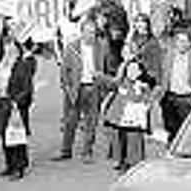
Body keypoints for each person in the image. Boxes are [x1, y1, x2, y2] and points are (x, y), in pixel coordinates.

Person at [54, 17, 110, 162]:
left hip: (94, 88)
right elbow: (64, 70)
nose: (91, 35)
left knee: (91, 122)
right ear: (82, 32)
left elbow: (107, 68)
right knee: (70, 121)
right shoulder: (72, 47)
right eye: (88, 32)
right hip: (76, 89)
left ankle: (87, 152)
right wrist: (67, 88)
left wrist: (102, 85)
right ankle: (66, 150)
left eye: (93, 32)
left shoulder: (101, 47)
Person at [0, 37, 37, 180]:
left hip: (15, 105)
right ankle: (9, 165)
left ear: (18, 51)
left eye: (12, 49)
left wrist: (17, 101)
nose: (9, 51)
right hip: (2, 103)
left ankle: (19, 166)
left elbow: (27, 88)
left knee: (17, 136)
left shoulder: (23, 64)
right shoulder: (1, 65)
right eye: (7, 48)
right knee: (5, 136)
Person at [102, 59, 157, 172]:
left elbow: (148, 101)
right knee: (120, 138)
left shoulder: (143, 86)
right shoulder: (121, 82)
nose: (131, 72)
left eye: (134, 70)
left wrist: (143, 100)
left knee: (134, 140)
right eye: (129, 70)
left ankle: (132, 161)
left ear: (140, 73)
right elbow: (110, 84)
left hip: (134, 119)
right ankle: (121, 160)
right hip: (120, 118)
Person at [156, 29, 191, 144]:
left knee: (185, 128)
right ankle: (172, 146)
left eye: (185, 41)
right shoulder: (168, 55)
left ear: (190, 43)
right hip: (169, 96)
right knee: (170, 126)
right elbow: (161, 73)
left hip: (187, 98)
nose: (181, 44)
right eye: (179, 40)